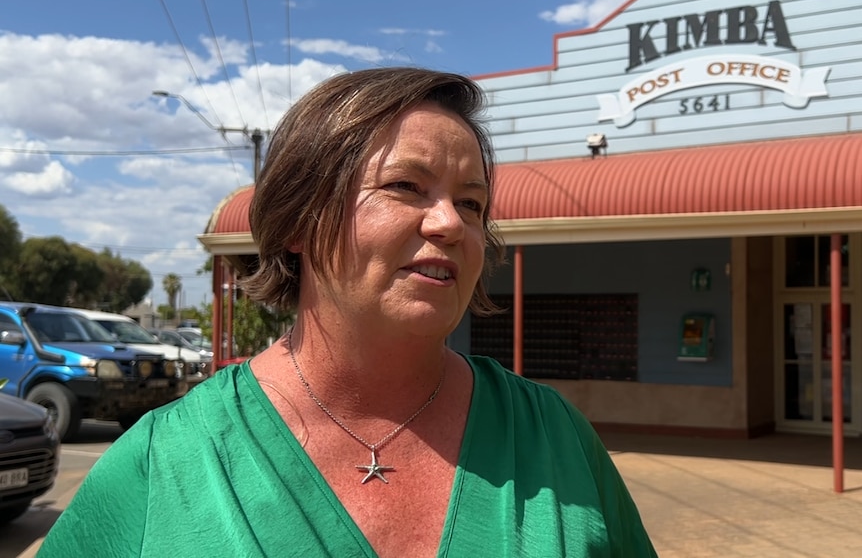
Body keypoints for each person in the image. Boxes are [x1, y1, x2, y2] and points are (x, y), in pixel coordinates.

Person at [37, 67, 657, 557]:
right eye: (405, 187)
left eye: (471, 203)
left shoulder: (554, 439)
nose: (449, 223)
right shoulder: (164, 461)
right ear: (301, 220)